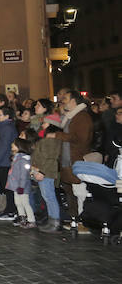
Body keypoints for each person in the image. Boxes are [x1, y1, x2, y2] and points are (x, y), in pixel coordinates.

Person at [57, 91, 93, 225]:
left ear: (73, 101)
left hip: (77, 160)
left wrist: (59, 135)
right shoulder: (70, 116)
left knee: (80, 192)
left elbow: (81, 139)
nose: (62, 101)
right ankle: (74, 219)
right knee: (70, 192)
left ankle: (83, 221)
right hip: (67, 160)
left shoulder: (82, 117)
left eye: (65, 99)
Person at [0, 106, 20, 222]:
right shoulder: (1, 127)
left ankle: (11, 210)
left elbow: (4, 146)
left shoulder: (8, 128)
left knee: (8, 188)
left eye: (0, 115)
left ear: (7, 116)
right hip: (0, 161)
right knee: (3, 186)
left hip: (5, 162)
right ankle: (6, 208)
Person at [6, 138, 36, 229]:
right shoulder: (17, 158)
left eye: (14, 144)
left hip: (21, 187)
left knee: (25, 203)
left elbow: (24, 175)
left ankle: (31, 220)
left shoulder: (23, 159)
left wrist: (21, 187)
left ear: (19, 146)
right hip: (16, 186)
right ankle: (22, 217)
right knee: (18, 203)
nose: (12, 144)